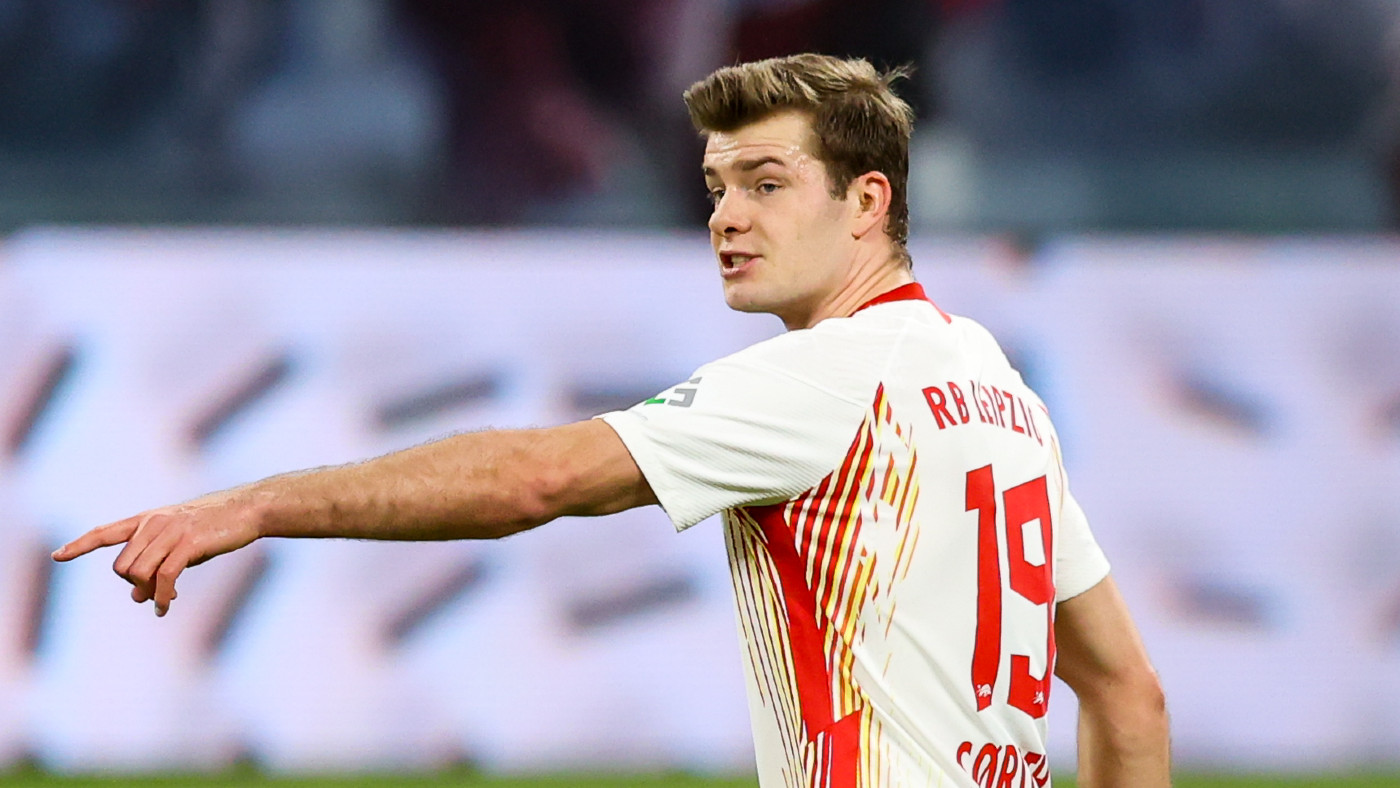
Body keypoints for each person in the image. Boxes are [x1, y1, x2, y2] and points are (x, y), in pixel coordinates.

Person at [53, 54, 1170, 787]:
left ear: (866, 202)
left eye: (766, 183)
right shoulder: (996, 388)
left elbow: (535, 477)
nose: (726, 217)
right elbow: (1128, 692)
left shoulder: (827, 378)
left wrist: (257, 503)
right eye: (716, 186)